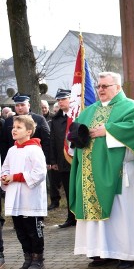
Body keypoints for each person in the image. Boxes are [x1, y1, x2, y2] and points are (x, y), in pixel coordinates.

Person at [69, 72, 134, 269]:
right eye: (99, 86)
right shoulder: (89, 111)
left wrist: (108, 130)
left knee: (125, 214)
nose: (100, 90)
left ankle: (129, 253)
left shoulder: (131, 107)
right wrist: (76, 138)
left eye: (105, 86)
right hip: (92, 172)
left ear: (117, 87)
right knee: (104, 218)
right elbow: (76, 133)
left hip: (122, 172)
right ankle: (102, 251)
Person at [1, 115, 47, 269]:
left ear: (29, 131)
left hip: (30, 197)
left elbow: (39, 173)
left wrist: (16, 177)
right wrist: (5, 178)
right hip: (15, 196)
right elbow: (5, 167)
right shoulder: (12, 150)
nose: (14, 130)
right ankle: (27, 257)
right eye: (13, 127)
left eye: (18, 127)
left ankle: (38, 258)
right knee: (20, 230)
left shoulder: (34, 149)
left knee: (33, 230)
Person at [1, 93, 51, 173]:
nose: (20, 108)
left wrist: (47, 160)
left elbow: (47, 140)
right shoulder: (9, 121)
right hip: (14, 159)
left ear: (29, 105)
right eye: (17, 105)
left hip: (34, 159)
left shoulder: (39, 119)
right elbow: (4, 143)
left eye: (22, 105)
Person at [49, 89, 77, 228]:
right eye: (58, 100)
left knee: (80, 189)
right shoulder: (55, 119)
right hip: (63, 161)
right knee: (68, 190)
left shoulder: (78, 115)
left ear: (70, 99)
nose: (60, 102)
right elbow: (53, 141)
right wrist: (53, 161)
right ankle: (71, 218)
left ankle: (82, 217)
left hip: (78, 160)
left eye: (63, 99)